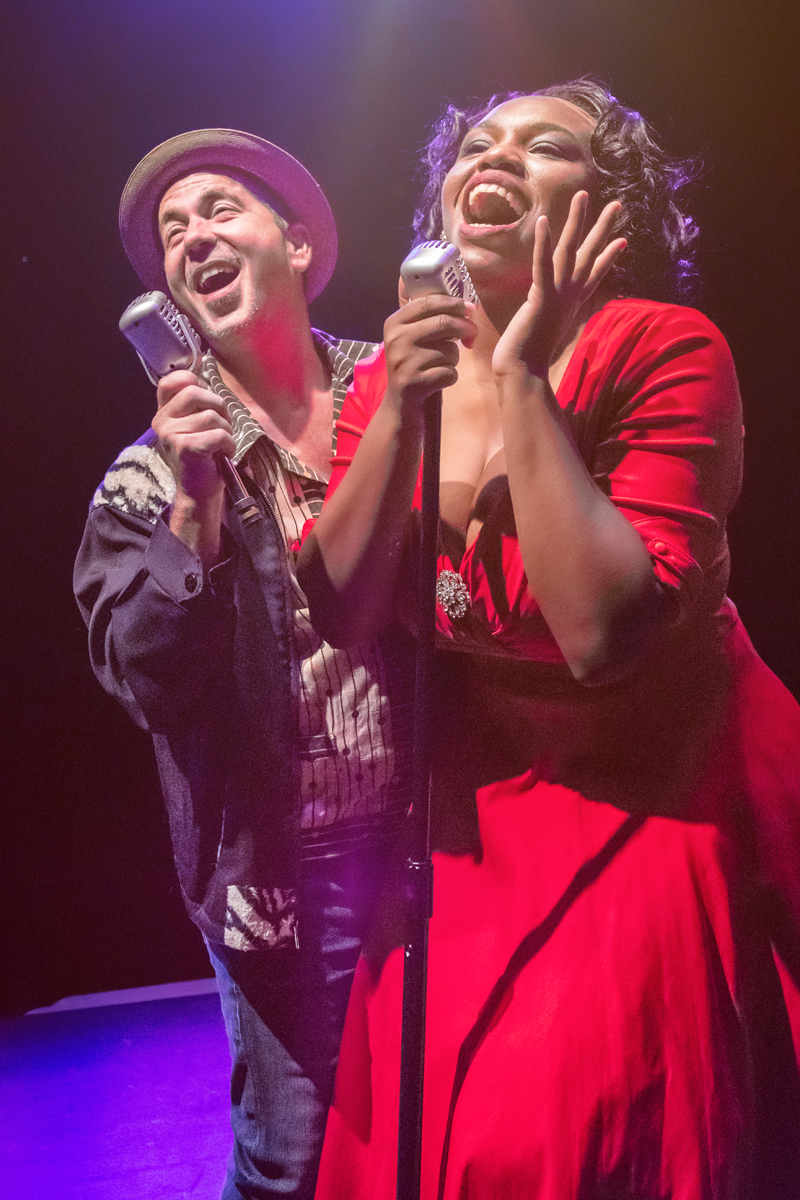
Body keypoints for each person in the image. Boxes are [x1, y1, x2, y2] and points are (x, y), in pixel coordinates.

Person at [297, 81, 800, 1199]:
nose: (499, 155)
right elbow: (340, 606)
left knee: (568, 1136)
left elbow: (599, 634)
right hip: (479, 807)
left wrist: (518, 379)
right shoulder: (392, 374)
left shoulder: (667, 347)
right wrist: (392, 412)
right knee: (436, 1142)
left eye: (544, 145)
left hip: (656, 783)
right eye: (478, 143)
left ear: (608, 209)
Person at [74, 129, 414, 1200]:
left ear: (299, 243)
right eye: (171, 233)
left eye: (218, 209)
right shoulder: (147, 480)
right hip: (284, 879)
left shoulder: (396, 391)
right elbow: (147, 684)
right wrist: (196, 505)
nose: (190, 239)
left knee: (432, 1138)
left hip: (440, 844)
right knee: (292, 1166)